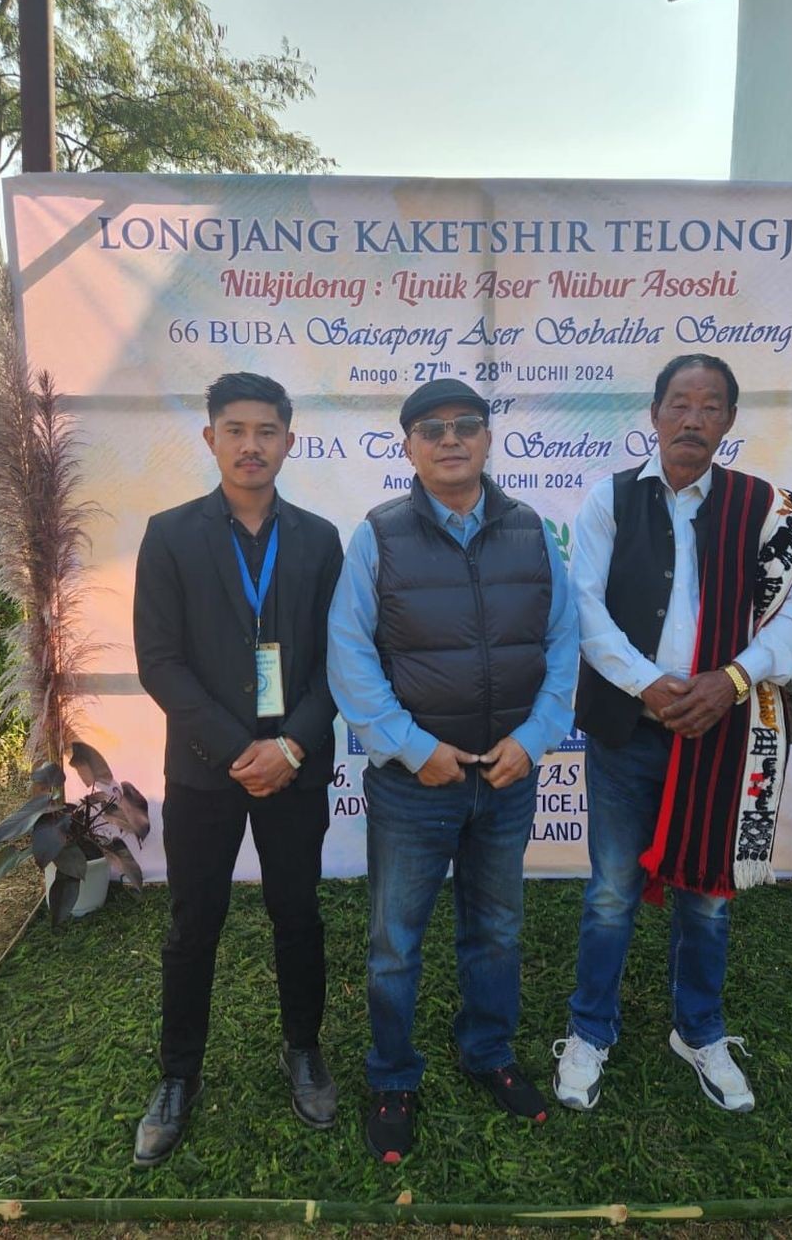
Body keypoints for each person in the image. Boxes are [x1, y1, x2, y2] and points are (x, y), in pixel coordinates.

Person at [553, 353, 792, 1116]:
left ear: (729, 421)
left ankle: (697, 1028)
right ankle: (589, 1030)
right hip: (626, 730)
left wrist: (730, 680)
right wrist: (651, 685)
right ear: (655, 413)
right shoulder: (609, 499)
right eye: (679, 402)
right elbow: (585, 610)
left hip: (720, 734)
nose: (693, 418)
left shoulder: (763, 511)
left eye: (710, 405)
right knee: (610, 892)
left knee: (707, 895)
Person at [328, 378, 578, 1163]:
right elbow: (350, 654)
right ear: (407, 446)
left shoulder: (532, 531)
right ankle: (393, 1075)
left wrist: (535, 739)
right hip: (415, 784)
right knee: (396, 942)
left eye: (466, 424)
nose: (450, 438)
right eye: (431, 428)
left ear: (487, 438)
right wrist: (412, 747)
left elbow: (563, 645)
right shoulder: (378, 535)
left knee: (497, 930)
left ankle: (489, 1052)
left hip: (506, 778)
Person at [132, 371, 343, 1167]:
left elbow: (339, 661)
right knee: (194, 925)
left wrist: (290, 746)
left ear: (289, 439)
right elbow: (160, 662)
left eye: (266, 430)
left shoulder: (321, 539)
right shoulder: (172, 533)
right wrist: (235, 751)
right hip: (202, 771)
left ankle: (305, 1050)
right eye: (235, 429)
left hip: (295, 765)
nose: (251, 444)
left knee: (298, 913)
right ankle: (178, 1074)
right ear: (211, 437)